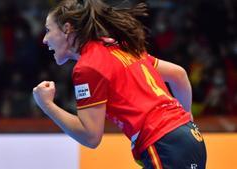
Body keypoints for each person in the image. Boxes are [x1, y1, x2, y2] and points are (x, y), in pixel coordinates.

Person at [33, 0, 207, 168]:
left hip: (164, 144)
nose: (44, 39)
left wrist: (46, 105)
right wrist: (186, 120)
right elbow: (179, 75)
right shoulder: (116, 46)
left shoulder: (87, 67)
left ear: (66, 29)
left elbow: (90, 137)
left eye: (48, 30)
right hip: (189, 137)